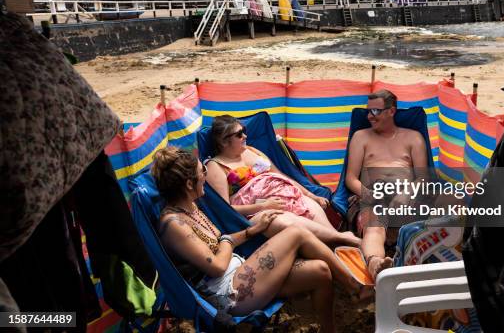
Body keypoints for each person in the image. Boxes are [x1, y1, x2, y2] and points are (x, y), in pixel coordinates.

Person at [150, 146, 368, 332]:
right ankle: (355, 287)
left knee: (320, 271)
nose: (205, 176)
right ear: (189, 184)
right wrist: (227, 240)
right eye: (202, 171)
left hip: (241, 274)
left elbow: (222, 245)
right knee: (296, 233)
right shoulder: (174, 225)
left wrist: (253, 231)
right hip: (227, 295)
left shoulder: (191, 207)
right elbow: (216, 266)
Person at [205, 115, 360, 247]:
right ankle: (342, 238)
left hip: (288, 196)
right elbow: (225, 209)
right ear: (224, 142)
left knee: (311, 207)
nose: (245, 136)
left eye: (244, 131)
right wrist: (263, 206)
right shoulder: (216, 167)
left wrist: (311, 195)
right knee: (286, 222)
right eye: (239, 134)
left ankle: (339, 242)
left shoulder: (252, 151)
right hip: (257, 212)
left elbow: (281, 175)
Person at [345, 89, 429, 279]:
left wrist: (408, 193)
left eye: (375, 111)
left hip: (408, 194)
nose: (369, 117)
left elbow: (423, 178)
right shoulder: (361, 137)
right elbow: (351, 178)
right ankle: (376, 264)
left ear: (391, 111)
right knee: (375, 223)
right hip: (372, 194)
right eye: (368, 112)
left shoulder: (413, 137)